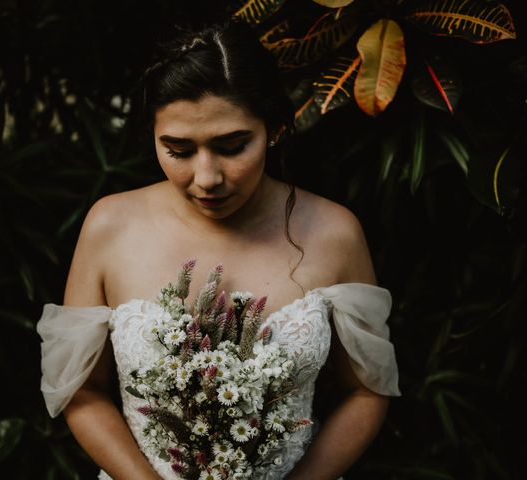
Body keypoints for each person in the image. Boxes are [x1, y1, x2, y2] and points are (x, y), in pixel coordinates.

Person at [37, 19, 400, 480]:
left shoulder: (334, 232)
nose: (207, 177)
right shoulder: (110, 226)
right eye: (178, 150)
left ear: (273, 129)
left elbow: (367, 390)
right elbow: (83, 392)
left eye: (232, 146)